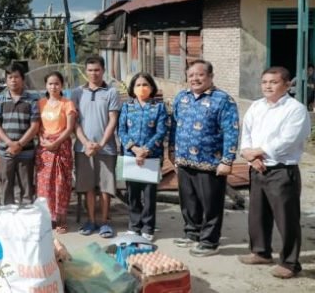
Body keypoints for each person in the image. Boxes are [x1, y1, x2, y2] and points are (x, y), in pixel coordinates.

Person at [238, 67, 310, 279]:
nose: (268, 86)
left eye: (274, 82)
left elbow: (289, 139)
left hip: (281, 170)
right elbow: (247, 132)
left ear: (287, 85)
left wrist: (259, 152)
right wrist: (249, 155)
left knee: (286, 218)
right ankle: (261, 252)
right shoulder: (256, 106)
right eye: (264, 82)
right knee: (257, 215)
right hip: (256, 168)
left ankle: (290, 262)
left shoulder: (295, 109)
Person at [172, 59, 239, 257]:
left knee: (211, 204)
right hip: (184, 160)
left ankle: (210, 241)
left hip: (211, 162)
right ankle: (192, 233)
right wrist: (173, 154)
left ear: (210, 76)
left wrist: (227, 160)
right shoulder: (181, 97)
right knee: (188, 201)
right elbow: (174, 125)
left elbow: (232, 131)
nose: (195, 79)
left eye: (200, 75)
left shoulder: (223, 100)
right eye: (191, 75)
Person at [72, 55, 122, 238]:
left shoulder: (111, 92)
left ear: (103, 70)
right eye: (90, 70)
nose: (94, 73)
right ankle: (91, 220)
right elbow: (74, 122)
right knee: (88, 187)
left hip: (106, 149)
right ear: (86, 72)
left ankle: (105, 222)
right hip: (83, 149)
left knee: (105, 187)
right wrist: (86, 143)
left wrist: (100, 144)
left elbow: (113, 120)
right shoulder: (77, 92)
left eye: (97, 70)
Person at [118, 72, 167, 242]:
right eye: (138, 85)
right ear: (132, 88)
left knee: (149, 194)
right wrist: (134, 148)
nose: (142, 88)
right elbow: (122, 131)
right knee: (132, 193)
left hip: (151, 156)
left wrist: (145, 150)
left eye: (145, 85)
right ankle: (134, 225)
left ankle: (148, 227)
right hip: (131, 156)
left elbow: (161, 132)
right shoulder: (127, 107)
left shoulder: (159, 107)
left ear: (152, 88)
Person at [0, 62, 40, 206]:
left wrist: (19, 144)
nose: (13, 80)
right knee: (6, 184)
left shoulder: (32, 100)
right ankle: (7, 217)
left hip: (26, 152)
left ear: (23, 79)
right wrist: (10, 143)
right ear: (6, 80)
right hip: (5, 151)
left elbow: (35, 126)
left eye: (16, 77)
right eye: (10, 77)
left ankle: (26, 216)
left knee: (26, 187)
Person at [36, 71, 77, 233]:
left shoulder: (67, 104)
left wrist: (56, 142)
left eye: (57, 83)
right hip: (44, 149)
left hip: (62, 148)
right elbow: (38, 126)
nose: (53, 86)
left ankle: (61, 219)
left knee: (61, 184)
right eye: (50, 83)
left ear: (62, 85)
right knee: (44, 186)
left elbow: (69, 128)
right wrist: (42, 140)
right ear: (46, 86)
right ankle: (48, 219)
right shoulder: (40, 103)